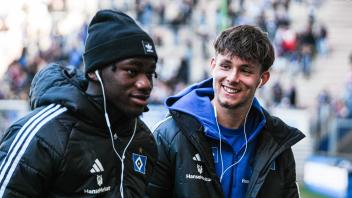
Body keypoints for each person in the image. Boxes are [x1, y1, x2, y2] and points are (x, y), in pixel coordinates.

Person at [0, 10, 158, 197]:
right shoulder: (42, 135)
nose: (146, 83)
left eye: (150, 73)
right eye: (132, 71)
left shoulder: (143, 139)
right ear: (94, 72)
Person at [146, 25, 305, 198]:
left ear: (263, 79)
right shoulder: (170, 135)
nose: (232, 78)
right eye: (226, 66)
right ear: (213, 66)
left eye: (245, 70)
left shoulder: (277, 144)